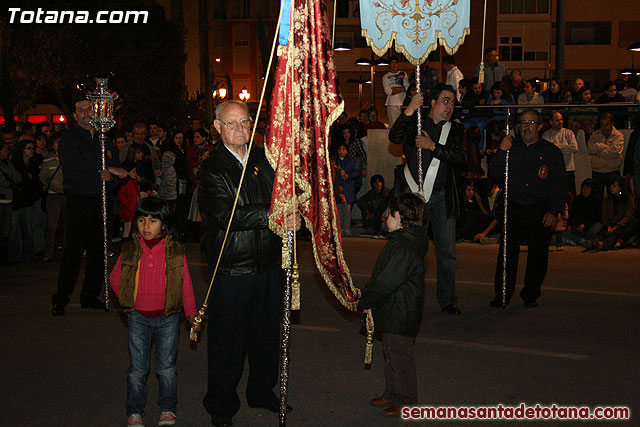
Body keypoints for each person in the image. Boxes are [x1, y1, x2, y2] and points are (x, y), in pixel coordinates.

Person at [198, 101, 299, 427]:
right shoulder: (211, 168)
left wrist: (294, 209)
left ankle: (261, 391)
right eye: (231, 123)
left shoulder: (264, 158)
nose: (240, 129)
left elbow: (283, 194)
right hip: (232, 268)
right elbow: (226, 216)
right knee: (228, 341)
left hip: (270, 264)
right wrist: (274, 216)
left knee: (267, 337)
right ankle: (222, 403)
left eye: (245, 121)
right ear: (217, 127)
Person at [109, 197, 198, 427]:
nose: (146, 226)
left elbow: (185, 284)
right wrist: (127, 300)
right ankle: (135, 410)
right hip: (138, 317)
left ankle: (168, 408)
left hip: (168, 317)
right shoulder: (130, 249)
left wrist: (191, 315)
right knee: (138, 370)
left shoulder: (175, 251)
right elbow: (115, 277)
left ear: (164, 224)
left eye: (153, 221)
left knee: (166, 368)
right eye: (141, 220)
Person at [389, 84, 467, 314]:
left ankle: (448, 299)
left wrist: (434, 146)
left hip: (443, 197)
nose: (449, 107)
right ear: (432, 103)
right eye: (445, 101)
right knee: (412, 251)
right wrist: (409, 110)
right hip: (414, 197)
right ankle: (408, 296)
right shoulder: (416, 122)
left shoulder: (455, 130)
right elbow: (394, 136)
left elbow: (462, 158)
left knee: (447, 253)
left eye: (452, 102)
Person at [51, 98, 126, 316]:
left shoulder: (104, 139)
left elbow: (118, 171)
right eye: (81, 110)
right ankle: (61, 299)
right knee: (72, 251)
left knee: (99, 251)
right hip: (79, 200)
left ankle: (89, 295)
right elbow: (77, 166)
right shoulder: (69, 139)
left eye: (89, 110)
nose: (86, 113)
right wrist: (106, 169)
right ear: (74, 115)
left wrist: (110, 176)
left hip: (102, 200)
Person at [488, 109, 567, 308]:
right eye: (523, 123)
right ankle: (502, 294)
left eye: (531, 123)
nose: (526, 127)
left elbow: (560, 185)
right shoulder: (510, 148)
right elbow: (494, 174)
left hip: (540, 210)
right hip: (513, 209)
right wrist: (501, 150)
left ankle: (530, 294)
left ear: (539, 126)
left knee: (538, 256)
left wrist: (554, 210)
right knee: (506, 255)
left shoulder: (551, 152)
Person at [358, 192, 427, 417]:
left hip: (400, 310)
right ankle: (392, 393)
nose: (385, 218)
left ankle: (406, 399)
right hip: (395, 308)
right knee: (391, 353)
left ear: (398, 218)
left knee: (400, 356)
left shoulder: (404, 247)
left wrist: (367, 299)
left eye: (388, 214)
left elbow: (387, 281)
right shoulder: (403, 241)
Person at [39, 136, 64, 261]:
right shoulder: (48, 159)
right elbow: (43, 177)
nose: (58, 144)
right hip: (53, 195)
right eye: (56, 142)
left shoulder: (70, 158)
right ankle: (48, 252)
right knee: (51, 225)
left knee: (68, 224)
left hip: (67, 195)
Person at [588, 112, 624, 197]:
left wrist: (598, 151)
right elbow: (590, 149)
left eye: (607, 125)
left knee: (613, 199)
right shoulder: (595, 135)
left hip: (612, 171)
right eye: (602, 125)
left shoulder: (619, 136)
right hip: (597, 171)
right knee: (596, 199)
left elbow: (615, 153)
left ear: (612, 124)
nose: (604, 127)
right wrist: (604, 146)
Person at [542, 111, 579, 195]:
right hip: (554, 171)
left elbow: (574, 148)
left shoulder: (568, 133)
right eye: (557, 120)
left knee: (571, 195)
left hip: (568, 170)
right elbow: (548, 152)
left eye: (561, 120)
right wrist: (565, 145)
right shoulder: (546, 135)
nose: (560, 122)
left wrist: (556, 146)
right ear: (551, 122)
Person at [0, 141, 21, 264]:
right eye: (5, 149)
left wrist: (8, 179)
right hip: (2, 199)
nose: (8, 152)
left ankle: (4, 255)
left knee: (6, 230)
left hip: (8, 200)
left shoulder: (8, 163)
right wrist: (8, 181)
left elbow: (17, 177)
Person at [334, 141, 360, 237]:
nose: (341, 151)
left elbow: (357, 172)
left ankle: (347, 229)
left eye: (343, 149)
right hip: (338, 188)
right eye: (339, 149)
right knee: (339, 209)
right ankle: (340, 229)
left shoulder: (351, 161)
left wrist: (348, 175)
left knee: (347, 209)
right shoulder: (335, 161)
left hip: (348, 187)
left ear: (347, 151)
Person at [382, 56, 409, 127]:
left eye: (396, 63)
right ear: (389, 65)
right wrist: (401, 88)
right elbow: (388, 91)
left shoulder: (404, 74)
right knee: (393, 125)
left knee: (404, 124)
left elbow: (407, 87)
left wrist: (394, 89)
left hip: (403, 103)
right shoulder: (385, 77)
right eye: (392, 63)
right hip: (392, 104)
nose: (394, 65)